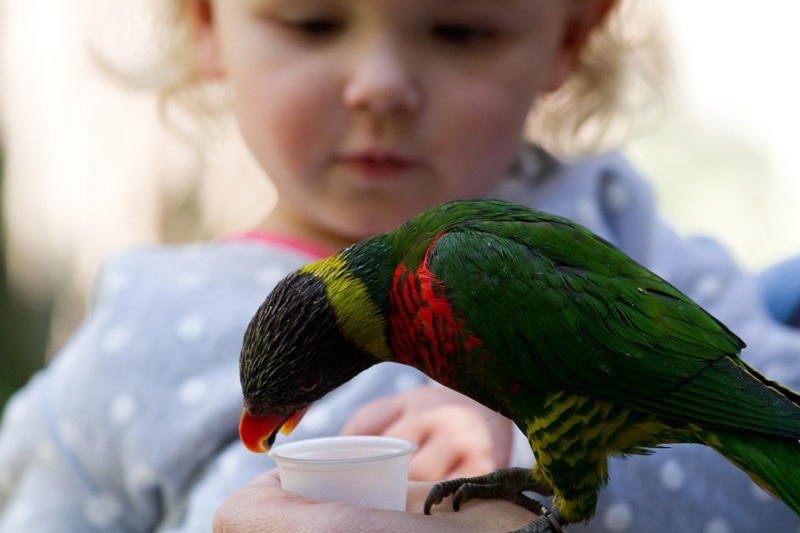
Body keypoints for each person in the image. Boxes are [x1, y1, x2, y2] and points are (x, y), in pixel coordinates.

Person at [0, 0, 798, 532]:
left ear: (571, 35)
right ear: (205, 25)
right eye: (312, 21)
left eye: (460, 29)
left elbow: (766, 390)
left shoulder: (573, 228)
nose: (380, 85)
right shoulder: (133, 331)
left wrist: (524, 439)